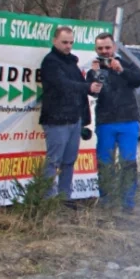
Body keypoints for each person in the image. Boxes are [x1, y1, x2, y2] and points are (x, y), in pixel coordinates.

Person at [39, 26, 102, 207]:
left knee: (69, 161)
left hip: (74, 118)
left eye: (71, 42)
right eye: (64, 42)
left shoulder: (71, 62)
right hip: (56, 119)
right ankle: (48, 200)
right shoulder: (50, 62)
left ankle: (64, 197)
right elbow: (63, 85)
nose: (68, 46)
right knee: (53, 161)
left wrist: (93, 81)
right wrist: (87, 87)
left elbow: (81, 86)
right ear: (55, 41)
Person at [86, 33, 140, 213]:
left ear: (114, 48)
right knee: (104, 163)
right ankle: (107, 200)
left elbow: (138, 80)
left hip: (128, 120)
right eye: (100, 48)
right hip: (106, 122)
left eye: (107, 47)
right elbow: (92, 93)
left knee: (128, 162)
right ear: (96, 50)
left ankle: (128, 203)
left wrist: (121, 70)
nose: (104, 51)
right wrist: (95, 76)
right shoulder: (93, 71)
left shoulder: (126, 65)